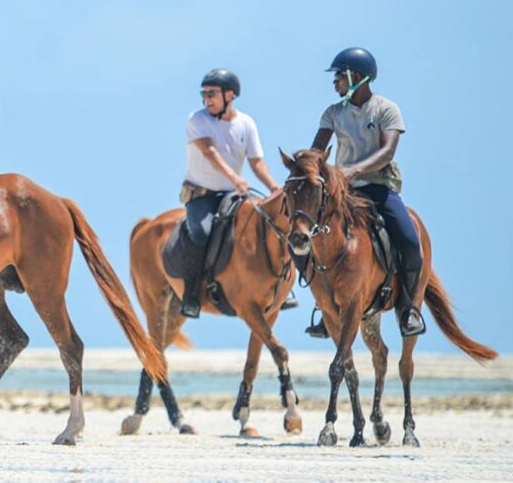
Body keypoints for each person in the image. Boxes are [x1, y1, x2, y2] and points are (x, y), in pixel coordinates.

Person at [304, 47, 425, 338]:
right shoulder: (333, 113)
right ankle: (324, 306)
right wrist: (304, 167)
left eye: (339, 76)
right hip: (343, 192)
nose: (334, 81)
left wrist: (354, 171)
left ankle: (408, 308)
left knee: (409, 241)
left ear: (356, 76)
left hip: (378, 188)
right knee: (304, 235)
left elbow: (387, 152)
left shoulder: (386, 109)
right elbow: (316, 152)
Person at [179, 69, 280, 317]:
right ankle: (192, 293)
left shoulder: (246, 123)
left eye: (212, 94)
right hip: (202, 195)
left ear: (230, 95)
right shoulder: (197, 120)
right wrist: (235, 178)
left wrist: (274, 188)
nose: (206, 99)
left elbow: (257, 162)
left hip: (233, 195)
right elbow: (210, 153)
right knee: (201, 233)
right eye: (204, 94)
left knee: (267, 225)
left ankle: (279, 288)